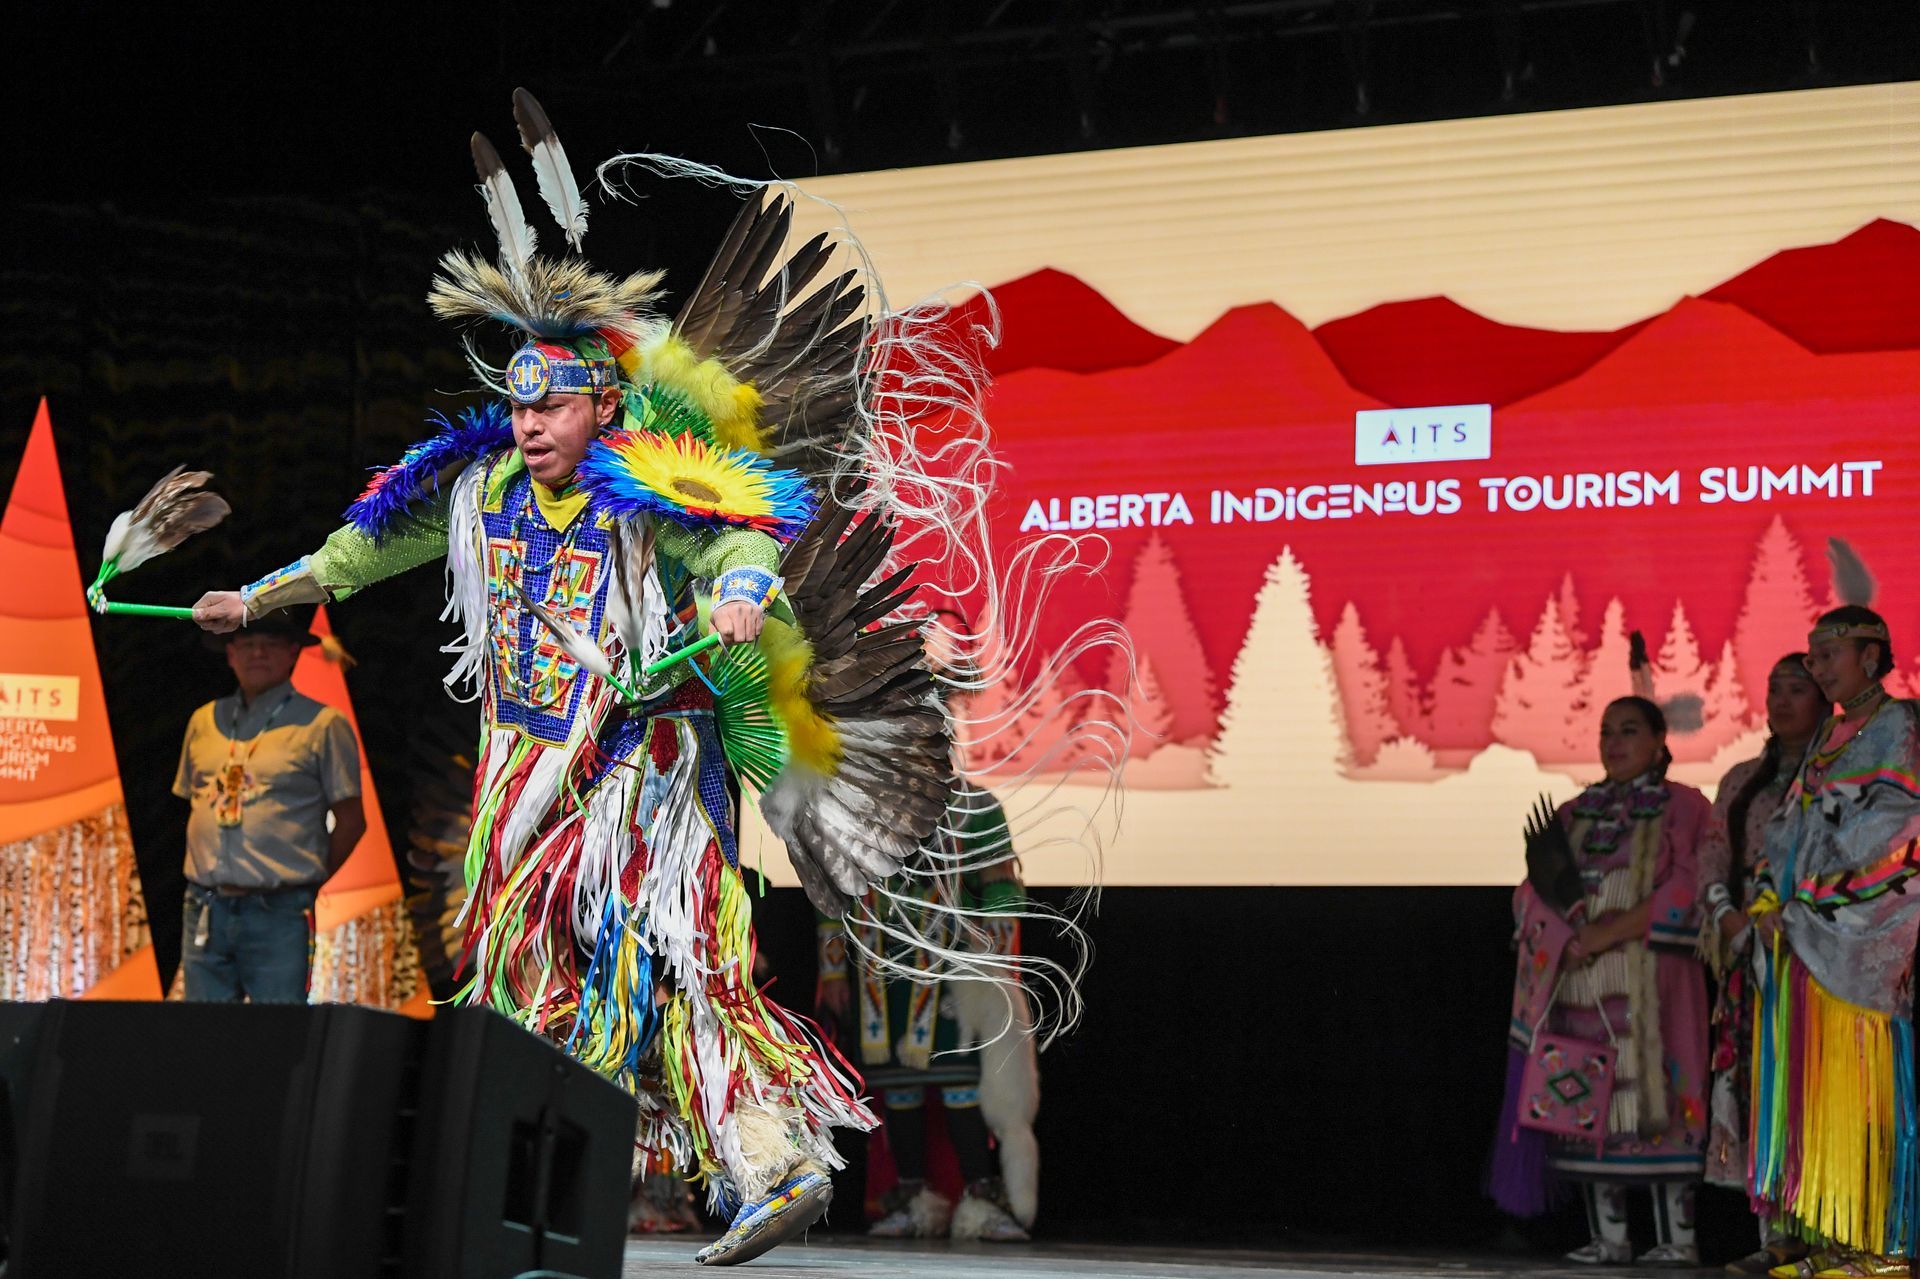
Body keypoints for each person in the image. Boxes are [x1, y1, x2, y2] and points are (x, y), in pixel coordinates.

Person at [187, 93, 988, 1267]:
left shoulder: (645, 486)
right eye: (515, 403)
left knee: (679, 959)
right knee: (523, 978)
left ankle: (772, 1163)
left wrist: (736, 592)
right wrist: (259, 595)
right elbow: (364, 548)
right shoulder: (481, 493)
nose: (527, 423)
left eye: (551, 402)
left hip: (641, 775)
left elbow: (743, 530)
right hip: (522, 776)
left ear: (602, 405)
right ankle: (518, 1192)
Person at [1498, 696, 1715, 1265]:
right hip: (1581, 981)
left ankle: (1679, 1240)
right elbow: (1532, 891)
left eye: (1628, 730)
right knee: (1586, 1099)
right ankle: (1611, 1238)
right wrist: (1564, 939)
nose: (1614, 742)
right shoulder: (1574, 813)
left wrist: (1610, 931)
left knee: (1663, 1097)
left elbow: (1691, 882)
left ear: (1658, 740)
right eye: (1606, 732)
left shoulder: (1686, 807)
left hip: (1653, 981)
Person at [1748, 606, 1920, 1279]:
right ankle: (1836, 1237)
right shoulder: (1833, 734)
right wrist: (1767, 895)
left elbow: (1899, 837)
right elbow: (1788, 832)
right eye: (1813, 657)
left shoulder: (1900, 725)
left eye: (1829, 654)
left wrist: (1811, 898)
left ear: (1872, 658)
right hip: (1804, 937)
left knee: (1868, 1091)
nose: (1817, 667)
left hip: (1863, 939)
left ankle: (1886, 1247)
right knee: (1820, 1095)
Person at [816, 780, 1037, 1242]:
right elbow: (833, 891)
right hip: (881, 971)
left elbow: (999, 889)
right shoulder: (859, 798)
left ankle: (982, 1198)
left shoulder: (976, 806)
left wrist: (995, 967)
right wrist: (833, 971)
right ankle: (913, 1197)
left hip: (953, 969)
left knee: (961, 1082)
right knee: (899, 1087)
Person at [1701, 654, 1831, 1275]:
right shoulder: (1740, 782)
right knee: (1761, 1091)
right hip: (1753, 962)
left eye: (1797, 690)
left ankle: (1831, 1238)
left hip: (1825, 964)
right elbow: (1712, 858)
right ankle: (1776, 1236)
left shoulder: (1844, 778)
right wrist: (1730, 917)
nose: (1781, 702)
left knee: (1819, 1092)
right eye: (1774, 689)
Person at [173, 605, 365, 1002]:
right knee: (201, 1037)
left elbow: (351, 820)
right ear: (230, 654)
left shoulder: (323, 724)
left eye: (271, 644)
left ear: (294, 652)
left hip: (278, 910)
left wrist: (305, 883)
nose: (257, 653)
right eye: (246, 644)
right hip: (205, 905)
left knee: (277, 1038)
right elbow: (192, 805)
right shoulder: (204, 720)